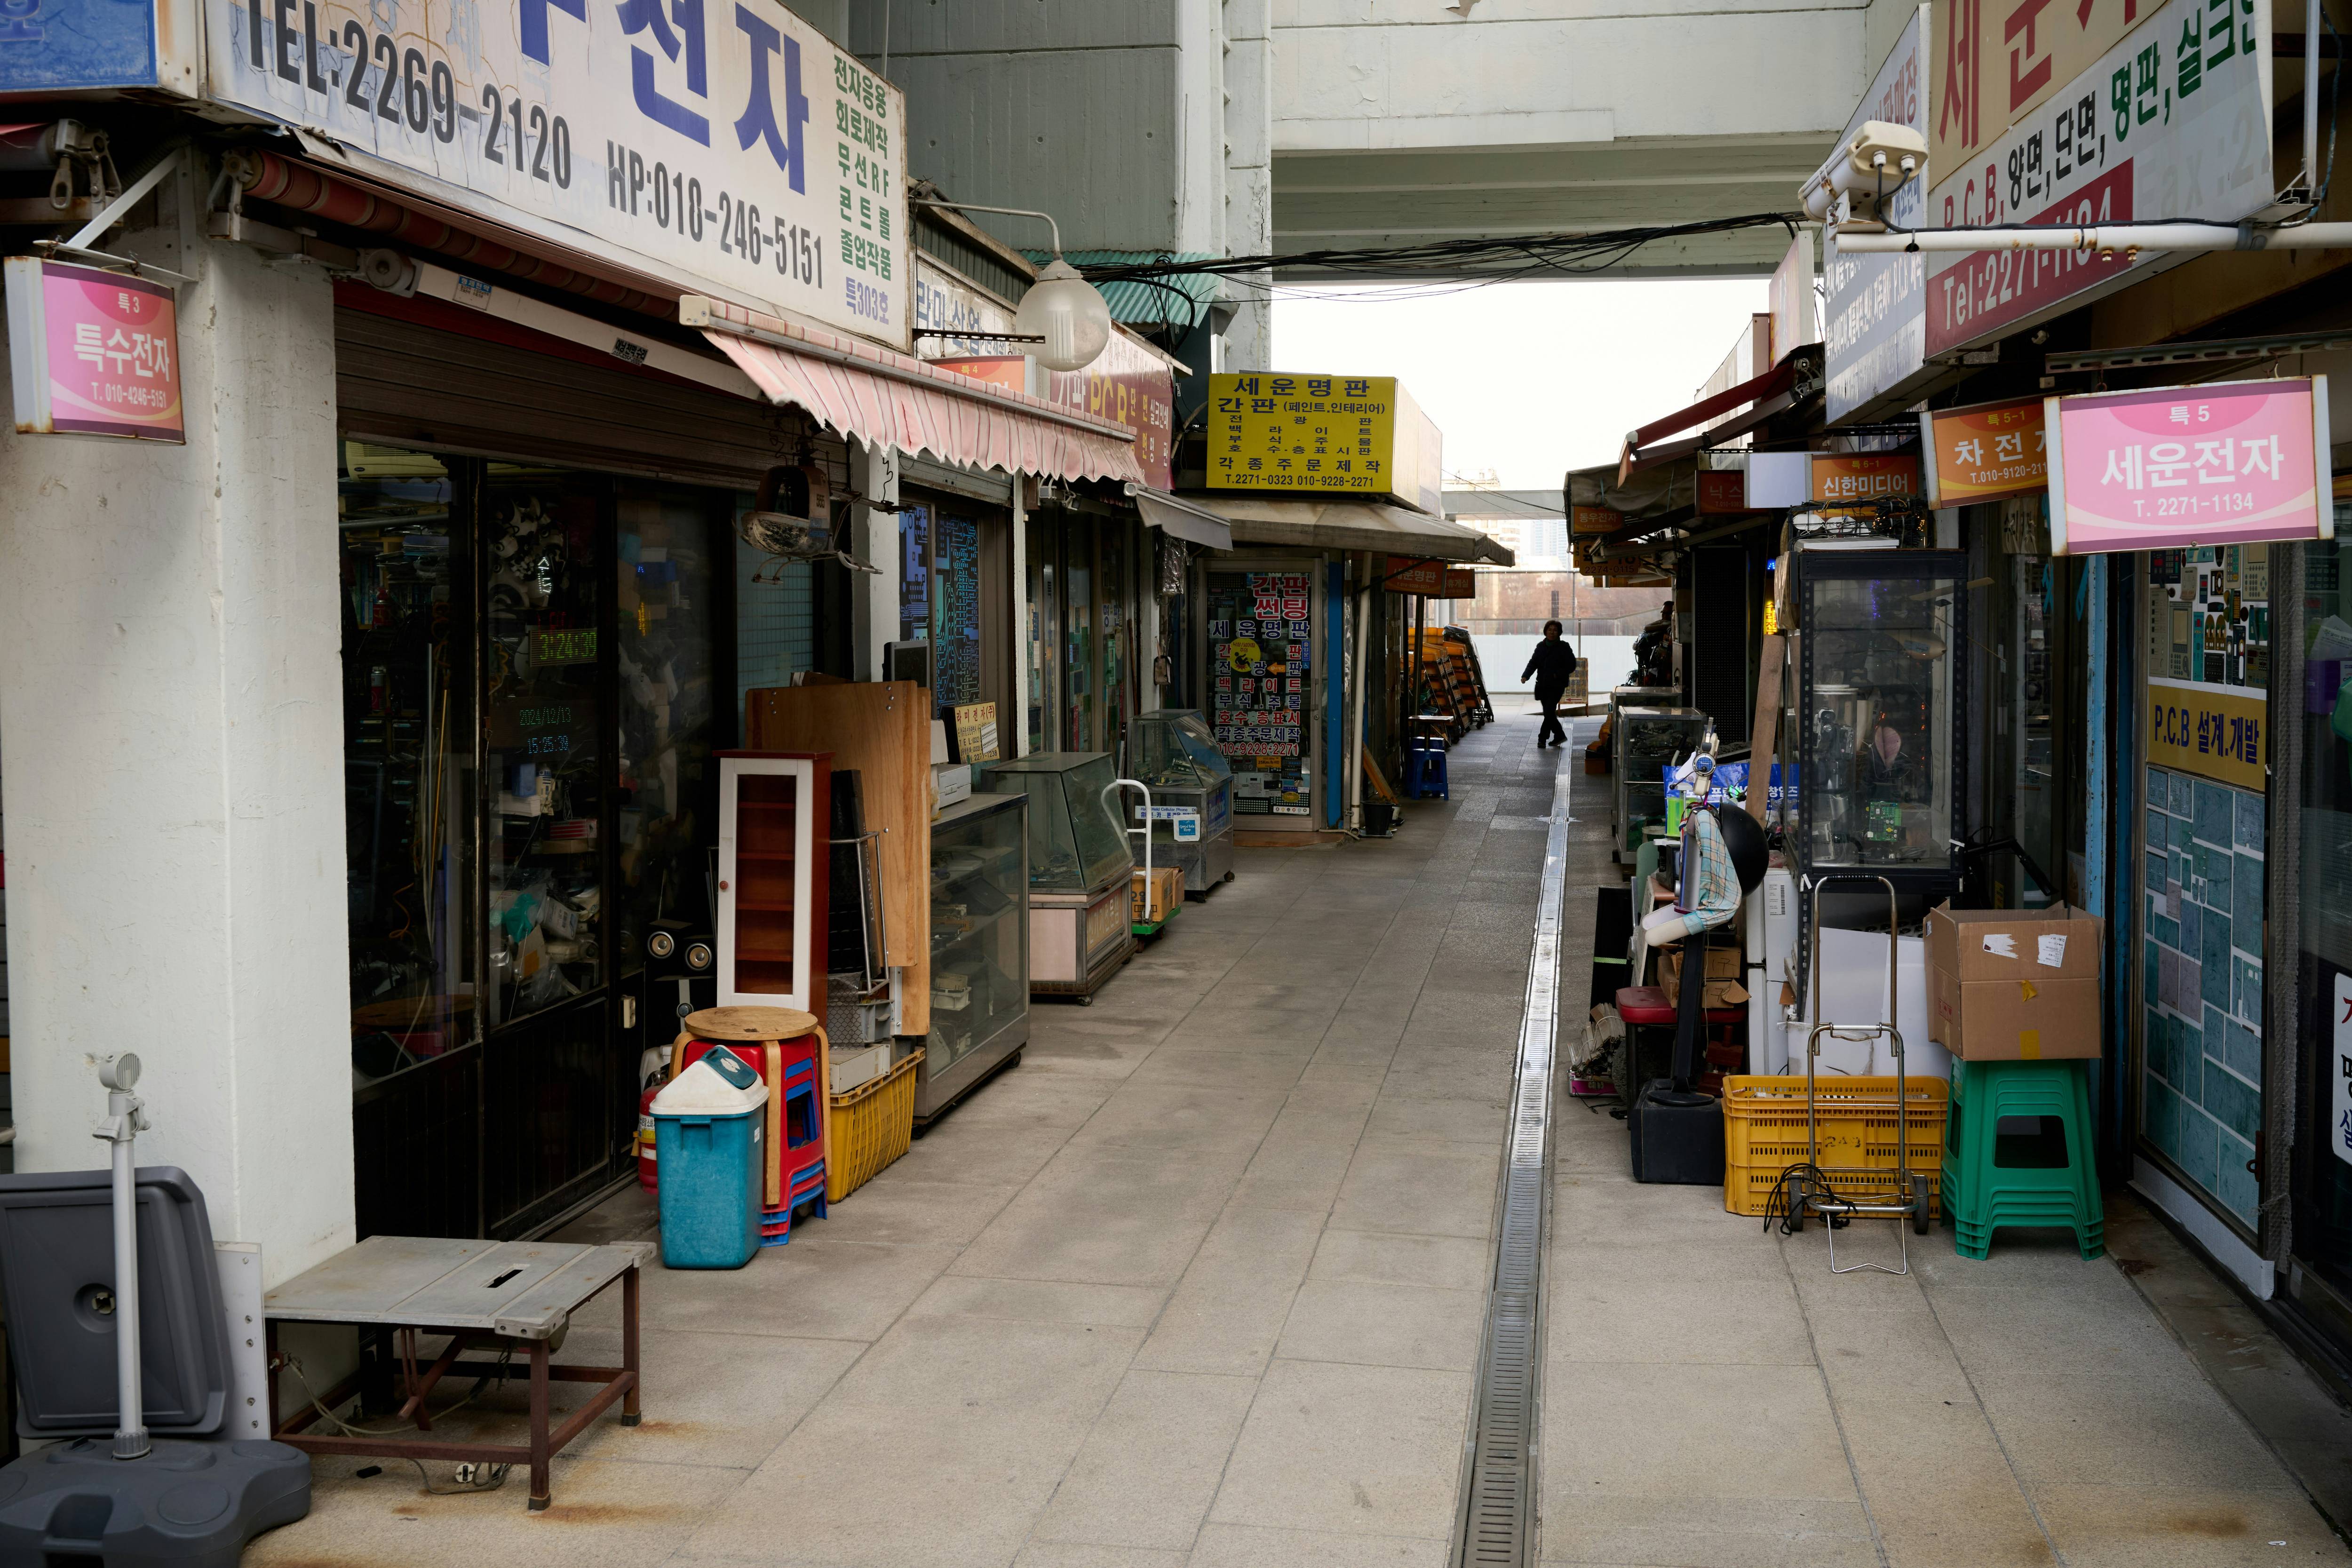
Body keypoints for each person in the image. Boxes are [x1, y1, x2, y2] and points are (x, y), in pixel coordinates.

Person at [1521, 620, 1579, 748]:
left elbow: (1571, 665)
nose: (1552, 632)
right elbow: (1533, 663)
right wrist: (1526, 675)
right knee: (1549, 713)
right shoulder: (1540, 647)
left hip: (1557, 685)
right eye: (1550, 630)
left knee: (1548, 711)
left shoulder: (1564, 647)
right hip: (1542, 685)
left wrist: (1557, 674)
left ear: (1559, 633)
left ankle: (1543, 738)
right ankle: (1558, 736)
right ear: (1546, 631)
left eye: (1555, 630)